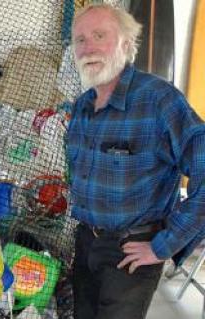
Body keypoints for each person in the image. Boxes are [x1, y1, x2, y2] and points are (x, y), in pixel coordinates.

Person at [67, 4, 205, 319]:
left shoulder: (159, 100)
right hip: (87, 241)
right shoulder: (81, 107)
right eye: (80, 40)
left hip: (132, 249)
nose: (88, 47)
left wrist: (164, 245)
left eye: (99, 35)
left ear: (127, 44)